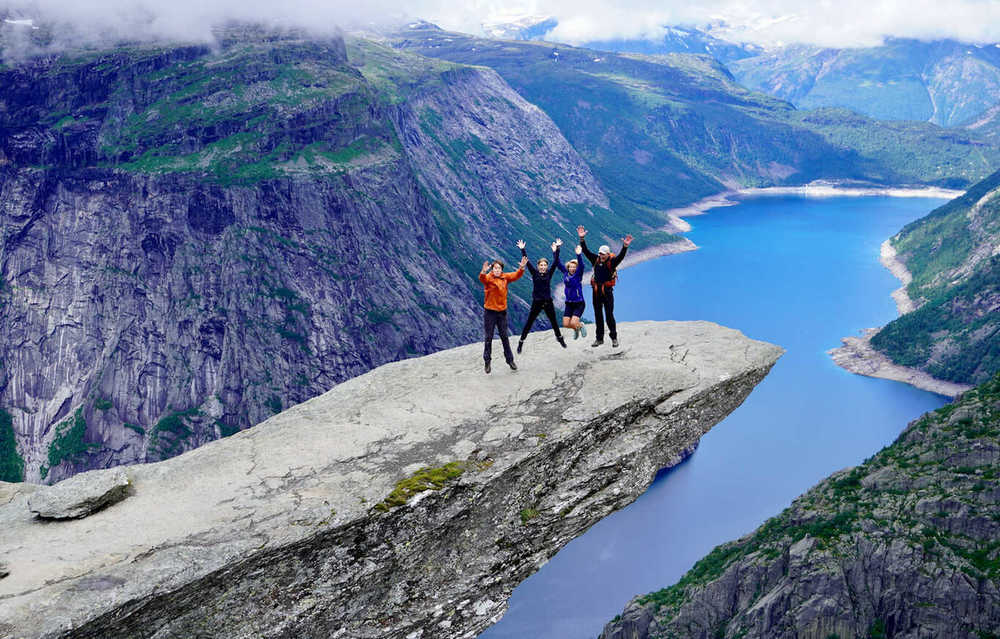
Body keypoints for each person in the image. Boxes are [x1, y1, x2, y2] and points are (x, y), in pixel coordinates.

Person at [577, 225, 632, 348]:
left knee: (609, 315)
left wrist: (625, 246)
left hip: (607, 292)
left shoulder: (612, 263)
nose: (601, 256)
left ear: (608, 254)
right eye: (600, 253)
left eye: (603, 254)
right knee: (598, 315)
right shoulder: (595, 260)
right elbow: (585, 251)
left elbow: (621, 257)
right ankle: (599, 339)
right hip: (596, 291)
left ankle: (614, 338)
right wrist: (582, 239)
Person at [478, 255, 528, 373]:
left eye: (499, 268)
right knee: (488, 337)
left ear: (501, 270)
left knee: (504, 337)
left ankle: (510, 360)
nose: (497, 270)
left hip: (501, 313)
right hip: (490, 312)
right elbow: (482, 278)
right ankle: (487, 362)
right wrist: (483, 271)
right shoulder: (488, 278)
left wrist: (521, 268)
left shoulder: (505, 278)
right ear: (492, 269)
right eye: (495, 268)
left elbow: (516, 275)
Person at [516, 239, 567, 353]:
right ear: (538, 266)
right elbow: (527, 261)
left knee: (554, 322)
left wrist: (557, 249)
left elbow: (555, 262)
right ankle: (521, 342)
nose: (543, 267)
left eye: (545, 265)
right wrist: (522, 249)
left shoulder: (550, 273)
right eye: (541, 265)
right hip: (537, 302)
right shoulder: (534, 273)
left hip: (548, 302)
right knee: (529, 322)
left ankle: (560, 339)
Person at [556, 243, 587, 340]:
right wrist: (557, 250)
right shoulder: (565, 273)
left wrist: (579, 254)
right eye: (571, 267)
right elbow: (557, 263)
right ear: (568, 267)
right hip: (569, 303)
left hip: (579, 303)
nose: (572, 268)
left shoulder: (578, 275)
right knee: (566, 324)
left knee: (573, 322)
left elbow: (581, 266)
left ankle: (580, 325)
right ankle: (576, 329)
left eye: (574, 267)